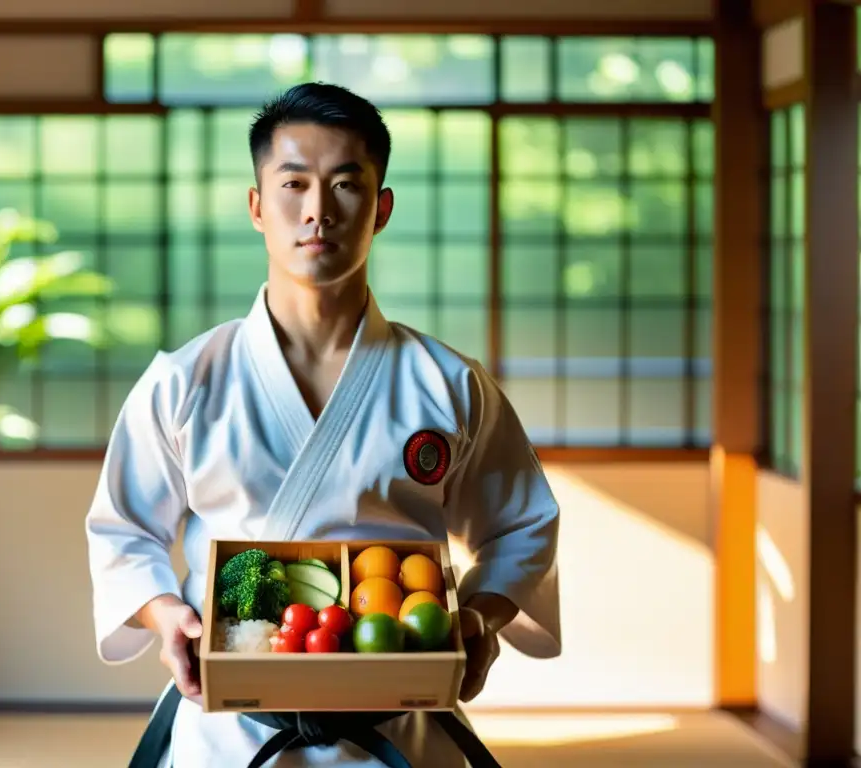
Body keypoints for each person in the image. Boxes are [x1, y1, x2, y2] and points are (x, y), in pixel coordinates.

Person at [85, 82, 562, 768]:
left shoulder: (447, 382)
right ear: (256, 206)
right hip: (228, 732)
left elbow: (522, 522)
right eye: (293, 184)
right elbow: (123, 529)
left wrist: (481, 617)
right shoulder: (185, 381)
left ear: (381, 207)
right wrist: (167, 617)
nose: (317, 212)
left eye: (345, 185)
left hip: (400, 723)